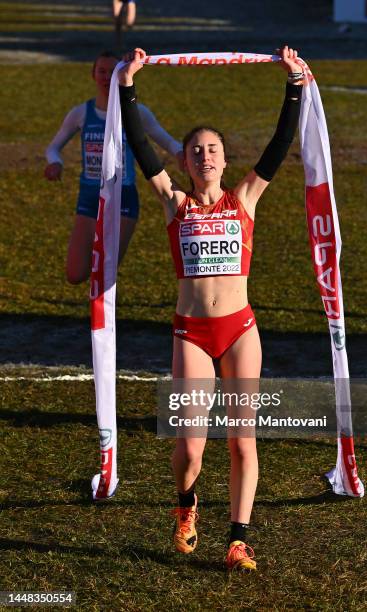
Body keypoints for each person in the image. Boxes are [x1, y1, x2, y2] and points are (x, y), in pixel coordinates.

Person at [118, 46, 304, 571]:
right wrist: (129, 84)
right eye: (195, 150)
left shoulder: (245, 198)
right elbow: (140, 148)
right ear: (184, 160)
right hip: (192, 333)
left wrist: (293, 84)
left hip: (240, 330)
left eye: (213, 149)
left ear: (225, 157)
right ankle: (185, 506)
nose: (205, 156)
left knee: (243, 441)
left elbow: (279, 144)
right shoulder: (173, 203)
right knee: (192, 446)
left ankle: (239, 538)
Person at [44, 50, 183, 285]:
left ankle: (101, 321)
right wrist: (55, 163)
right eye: (102, 71)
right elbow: (53, 148)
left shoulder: (136, 112)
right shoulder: (81, 113)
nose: (107, 77)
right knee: (76, 274)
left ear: (122, 74)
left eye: (113, 71)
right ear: (93, 75)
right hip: (89, 198)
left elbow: (166, 139)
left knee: (105, 272)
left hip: (123, 199)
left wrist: (182, 154)